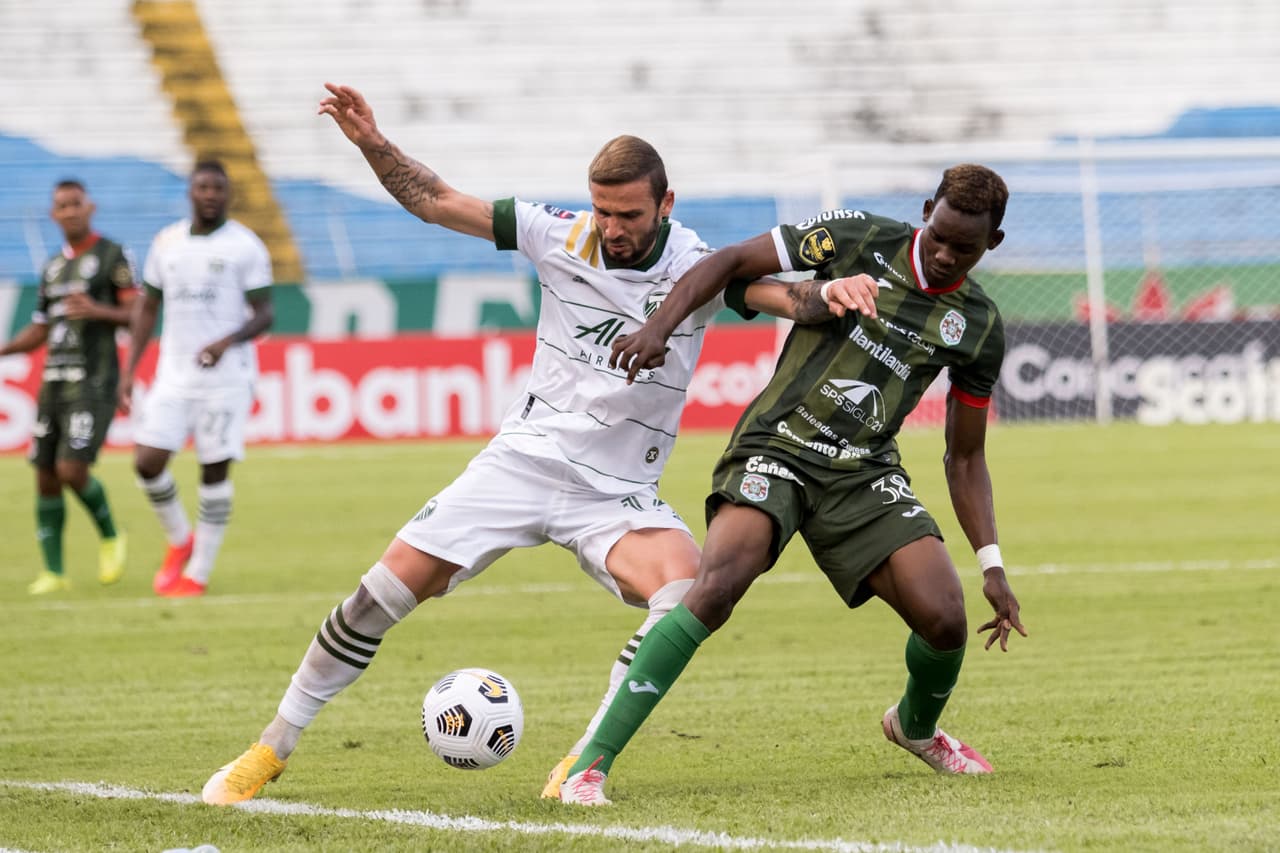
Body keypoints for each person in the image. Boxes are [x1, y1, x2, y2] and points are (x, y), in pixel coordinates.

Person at [200, 82, 879, 805]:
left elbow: (788, 298)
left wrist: (830, 293)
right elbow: (434, 198)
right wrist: (373, 144)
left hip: (616, 495)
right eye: (603, 210)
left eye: (629, 214)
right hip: (522, 461)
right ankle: (271, 746)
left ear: (666, 205)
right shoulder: (556, 233)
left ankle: (584, 760)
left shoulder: (699, 266)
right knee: (377, 595)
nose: (612, 228)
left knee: (686, 591)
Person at [556, 164, 1029, 805]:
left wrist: (991, 562)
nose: (945, 253)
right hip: (779, 444)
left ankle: (915, 728)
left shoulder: (977, 327)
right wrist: (657, 328)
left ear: (991, 244)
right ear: (926, 210)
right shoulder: (856, 236)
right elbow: (730, 264)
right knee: (717, 587)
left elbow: (964, 456)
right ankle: (590, 764)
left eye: (964, 247)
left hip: (862, 471)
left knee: (945, 618)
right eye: (938, 234)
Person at [118, 159, 274, 598]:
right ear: (190, 191)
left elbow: (266, 313)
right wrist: (129, 370)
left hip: (227, 380)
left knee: (213, 470)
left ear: (227, 194)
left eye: (218, 188)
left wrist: (228, 341)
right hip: (173, 375)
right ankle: (180, 539)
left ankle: (198, 573)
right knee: (147, 462)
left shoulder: (245, 246)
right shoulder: (166, 242)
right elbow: (147, 307)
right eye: (203, 187)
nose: (210, 194)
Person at [1, 180, 135, 594]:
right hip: (54, 383)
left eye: (76, 203)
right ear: (53, 215)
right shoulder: (53, 268)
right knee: (44, 474)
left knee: (71, 468)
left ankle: (112, 536)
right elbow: (41, 328)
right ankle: (54, 573)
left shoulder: (111, 255)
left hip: (93, 380)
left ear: (89, 207)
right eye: (62, 206)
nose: (70, 211)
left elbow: (136, 314)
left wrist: (96, 309)